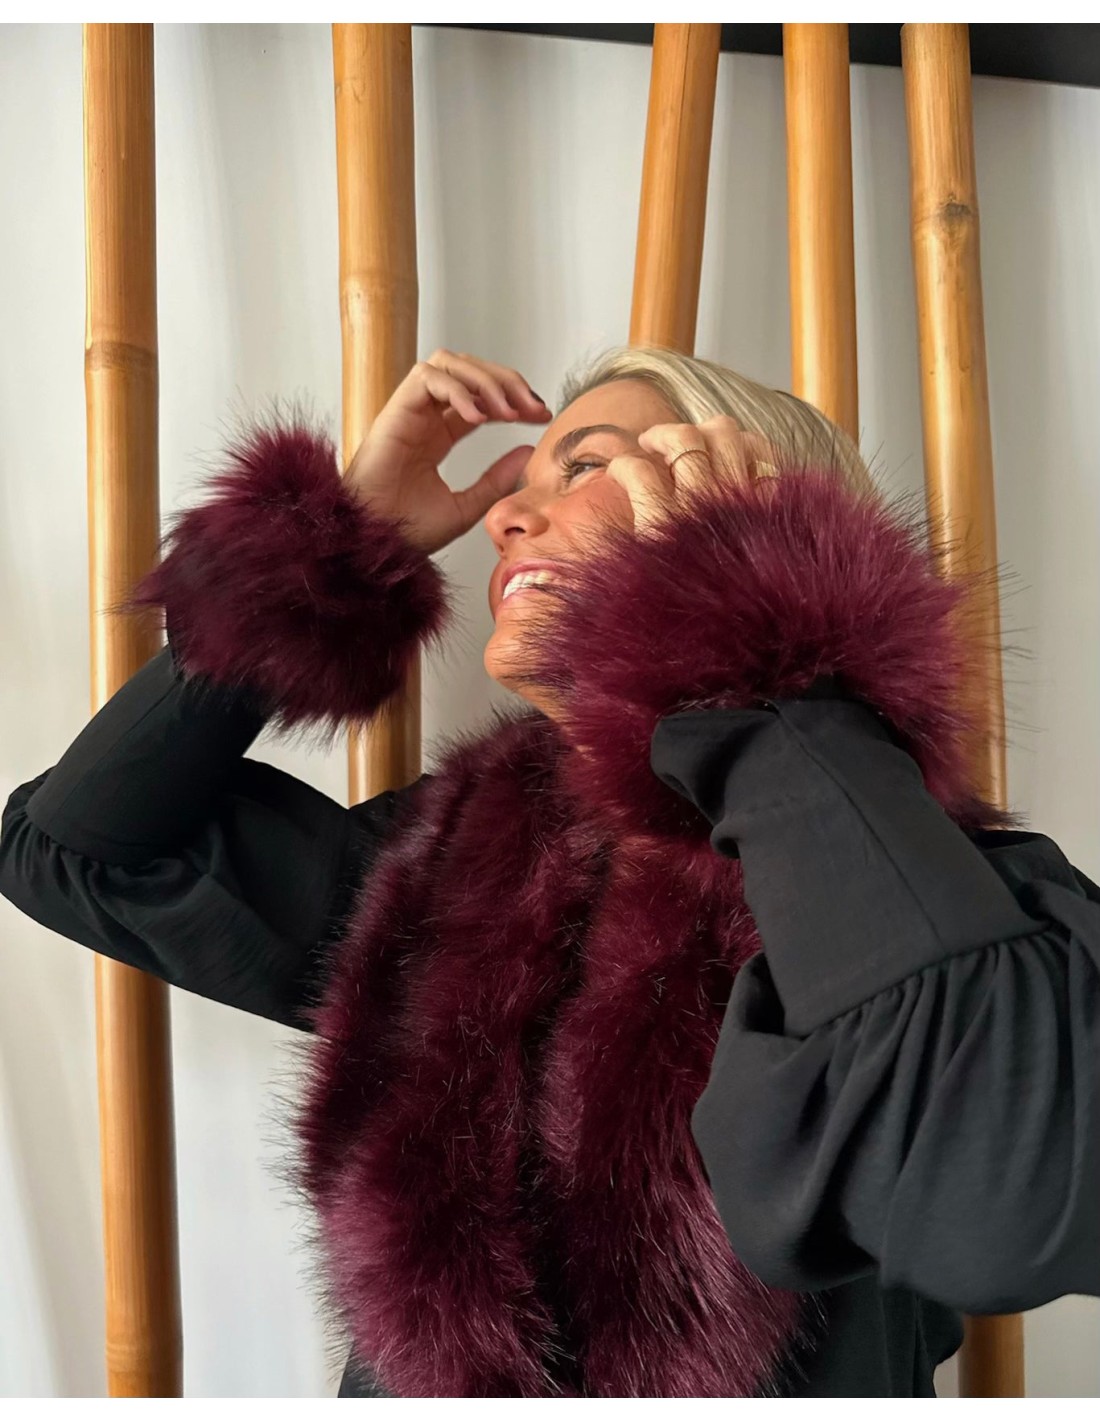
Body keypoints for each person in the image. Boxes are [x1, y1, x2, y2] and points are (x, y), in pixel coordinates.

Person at [2, 346, 1097, 1399]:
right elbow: (72, 851)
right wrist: (326, 560)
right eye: (521, 485)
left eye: (584, 467)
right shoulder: (441, 872)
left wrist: (760, 655)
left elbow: (1014, 1192)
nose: (504, 516)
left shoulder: (948, 884)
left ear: (758, 509)